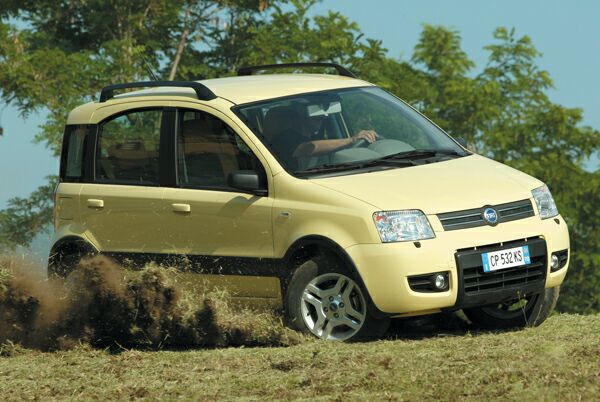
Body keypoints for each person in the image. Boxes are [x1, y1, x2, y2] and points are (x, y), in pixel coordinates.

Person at [263, 105, 378, 170]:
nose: (323, 117)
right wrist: (351, 140)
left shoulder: (317, 136)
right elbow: (308, 148)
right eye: (316, 113)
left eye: (324, 115)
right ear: (301, 116)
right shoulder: (282, 139)